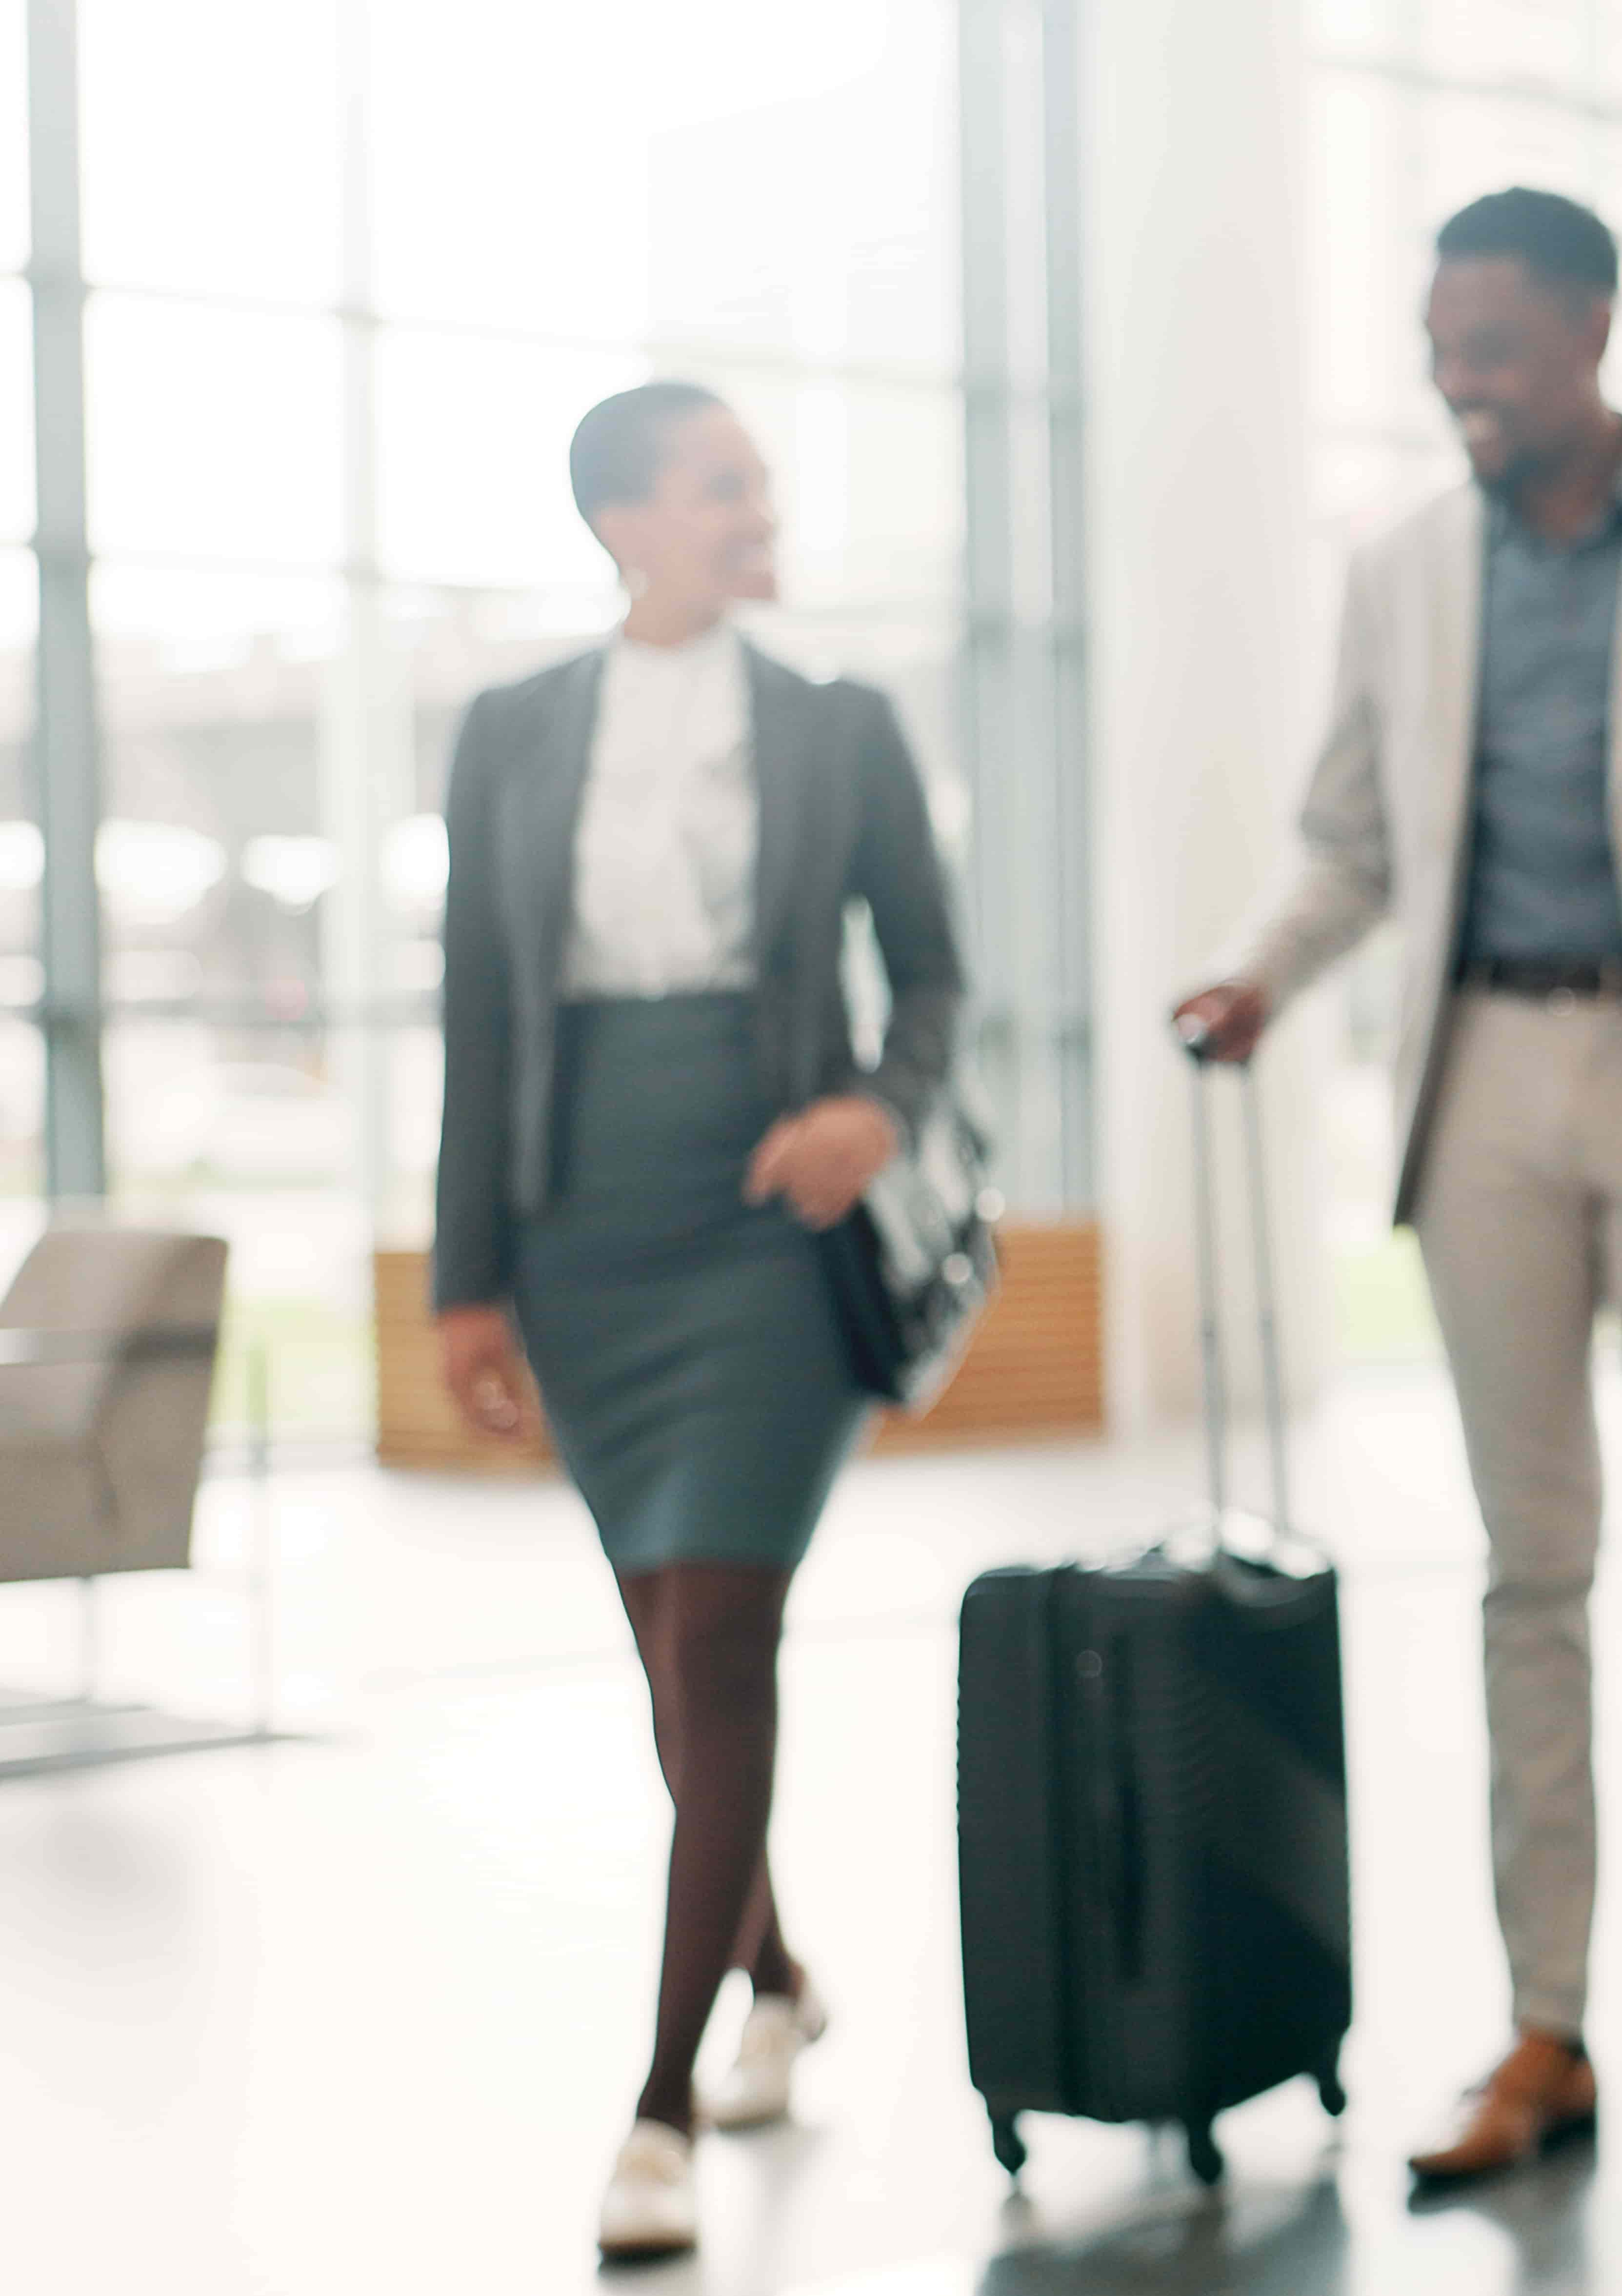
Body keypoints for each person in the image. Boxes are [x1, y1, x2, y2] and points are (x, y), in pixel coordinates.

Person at [1171, 187, 1622, 2181]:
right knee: (1530, 1563)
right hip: (1484, 1071)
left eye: (1488, 348)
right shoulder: (1403, 564)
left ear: (1589, 327)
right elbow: (1349, 837)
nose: (1458, 384)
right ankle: (1545, 2020)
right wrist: (1259, 970)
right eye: (1438, 352)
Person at [431, 381, 963, 2263]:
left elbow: (936, 973)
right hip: (582, 1231)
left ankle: (660, 2105)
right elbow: (478, 1009)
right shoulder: (510, 729)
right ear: (623, 520)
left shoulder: (837, 725)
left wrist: (875, 1110)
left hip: (770, 1225)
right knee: (673, 1656)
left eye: (760, 482)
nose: (759, 512)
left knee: (724, 1631)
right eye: (722, 485)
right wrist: (464, 1280)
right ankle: (784, 1975)